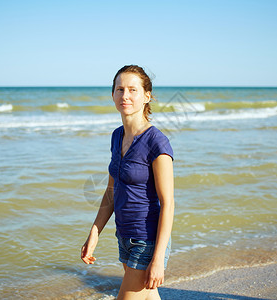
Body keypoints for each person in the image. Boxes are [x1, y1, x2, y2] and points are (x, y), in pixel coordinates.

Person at [81, 65, 174, 300]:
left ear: (146, 96)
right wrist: (95, 232)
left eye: (133, 89)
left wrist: (158, 259)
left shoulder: (157, 142)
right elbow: (111, 191)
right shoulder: (116, 136)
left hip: (147, 240)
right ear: (112, 94)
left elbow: (168, 203)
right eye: (120, 89)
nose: (125, 96)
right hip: (124, 236)